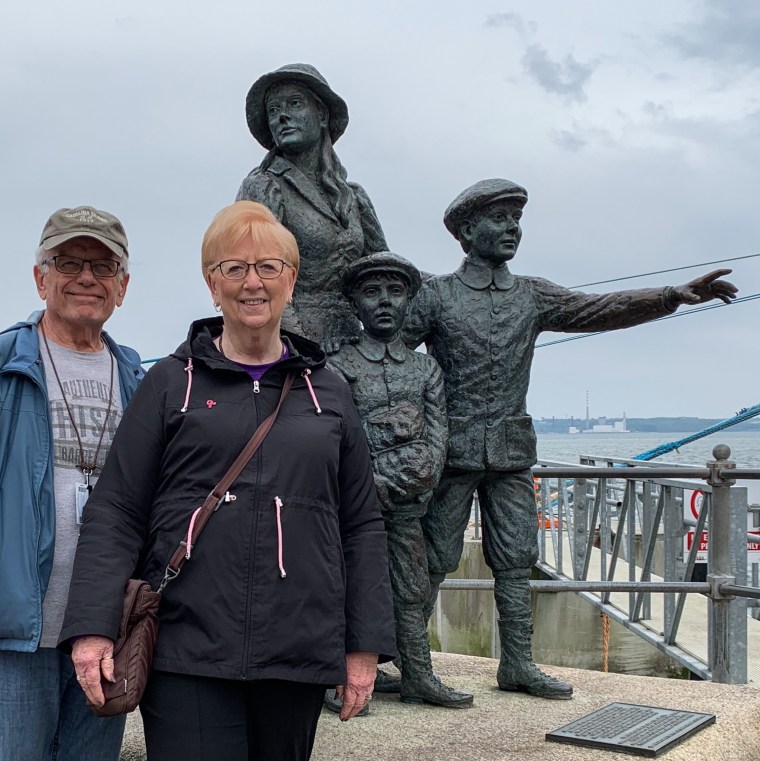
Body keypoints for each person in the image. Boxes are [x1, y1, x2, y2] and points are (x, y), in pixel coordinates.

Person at [60, 200, 395, 761]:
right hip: (186, 648)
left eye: (268, 267)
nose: (252, 283)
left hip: (297, 649)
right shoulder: (171, 384)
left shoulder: (328, 392)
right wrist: (92, 628)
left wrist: (364, 646)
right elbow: (116, 510)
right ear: (212, 284)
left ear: (291, 280)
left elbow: (360, 523)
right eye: (233, 268)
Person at [403, 178, 739, 700]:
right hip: (450, 454)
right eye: (499, 218)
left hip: (511, 454)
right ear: (467, 231)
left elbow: (598, 309)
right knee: (433, 558)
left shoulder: (531, 294)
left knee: (516, 558)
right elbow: (393, 358)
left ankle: (517, 664)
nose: (512, 228)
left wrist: (670, 296)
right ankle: (411, 667)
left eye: (517, 218)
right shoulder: (436, 296)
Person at [0, 205, 145, 761]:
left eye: (102, 266)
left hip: (102, 635)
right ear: (41, 278)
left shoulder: (136, 378)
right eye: (68, 262)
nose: (86, 278)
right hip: (10, 641)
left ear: (122, 286)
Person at [326, 252, 470, 711]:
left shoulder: (425, 369)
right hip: (353, 506)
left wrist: (417, 480)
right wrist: (370, 482)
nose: (385, 301)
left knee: (411, 586)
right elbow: (336, 436)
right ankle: (337, 679)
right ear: (355, 303)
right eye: (372, 292)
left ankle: (418, 674)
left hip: (407, 504)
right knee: (345, 586)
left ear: (409, 300)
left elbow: (438, 435)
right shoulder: (337, 366)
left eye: (395, 291)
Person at [237, 63, 389, 349]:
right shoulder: (264, 187)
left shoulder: (355, 197)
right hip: (295, 343)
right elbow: (258, 279)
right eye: (273, 111)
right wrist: (302, 350)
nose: (282, 116)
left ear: (322, 115)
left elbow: (384, 272)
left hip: (355, 343)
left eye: (295, 104)